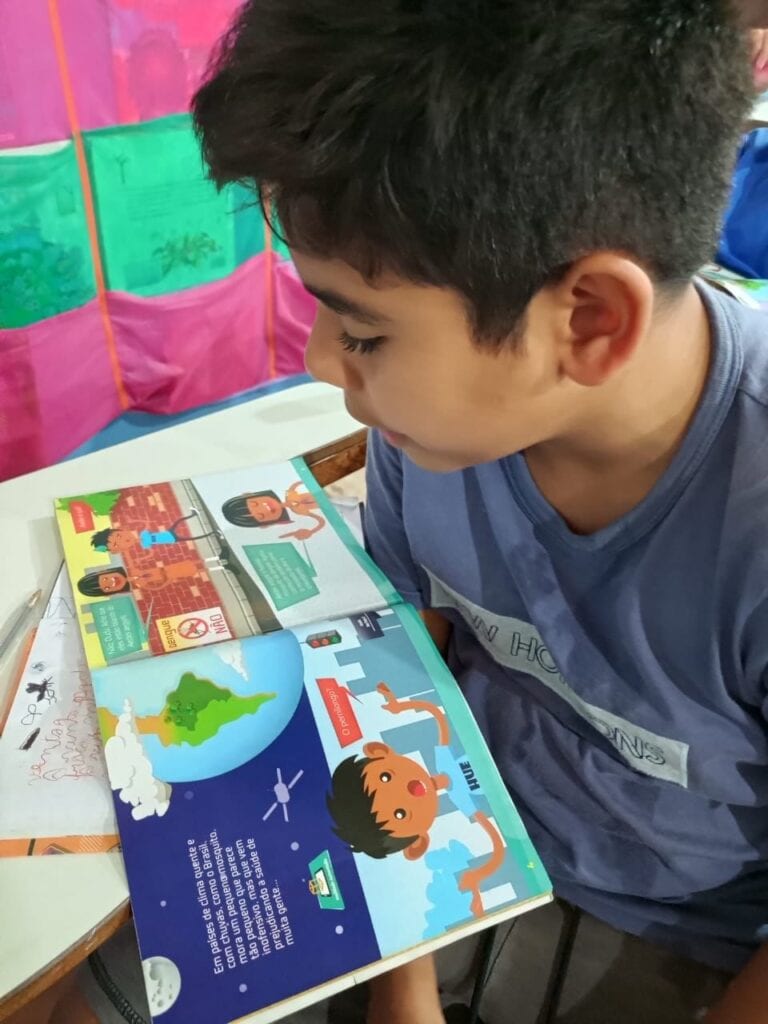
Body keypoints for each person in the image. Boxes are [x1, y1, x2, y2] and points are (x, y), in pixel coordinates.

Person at [189, 1, 768, 1023]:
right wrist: (403, 969)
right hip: (439, 850)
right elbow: (401, 664)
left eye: (364, 333)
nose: (321, 362)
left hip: (666, 934)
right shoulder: (432, 436)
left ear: (588, 320)